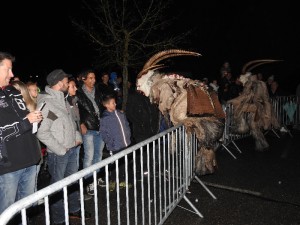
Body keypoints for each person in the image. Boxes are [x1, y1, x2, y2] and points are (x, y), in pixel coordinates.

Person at [36, 69, 90, 225]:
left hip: (72, 149)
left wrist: (77, 138)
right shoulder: (47, 104)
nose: (68, 83)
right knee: (58, 188)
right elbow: (42, 132)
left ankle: (74, 210)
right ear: (59, 83)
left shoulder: (63, 100)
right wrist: (60, 149)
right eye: (66, 81)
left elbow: (71, 122)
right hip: (59, 154)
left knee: (72, 183)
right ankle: (59, 219)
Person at [0, 52, 42, 215]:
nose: (12, 75)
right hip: (8, 167)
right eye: (8, 70)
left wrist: (34, 120)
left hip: (30, 160)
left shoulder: (12, 90)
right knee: (6, 212)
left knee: (27, 210)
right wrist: (26, 122)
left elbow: (25, 116)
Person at [76, 69, 105, 196]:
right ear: (84, 79)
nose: (93, 80)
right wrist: (81, 123)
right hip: (88, 128)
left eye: (94, 78)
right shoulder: (78, 93)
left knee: (98, 155)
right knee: (89, 156)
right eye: (90, 78)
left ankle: (96, 175)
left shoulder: (97, 90)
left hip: (100, 127)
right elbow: (75, 111)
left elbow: (101, 106)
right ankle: (88, 182)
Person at [99, 94, 131, 191]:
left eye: (115, 102)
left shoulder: (120, 114)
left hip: (125, 144)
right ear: (106, 105)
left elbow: (126, 125)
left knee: (123, 164)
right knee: (113, 165)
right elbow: (103, 133)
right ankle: (112, 181)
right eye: (113, 103)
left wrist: (128, 135)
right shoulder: (105, 118)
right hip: (114, 146)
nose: (115, 104)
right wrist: (110, 142)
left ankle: (122, 180)